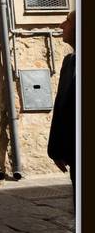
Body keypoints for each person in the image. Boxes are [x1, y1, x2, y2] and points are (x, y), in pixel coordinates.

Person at [48, 11, 76, 196]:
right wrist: (56, 150)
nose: (61, 26)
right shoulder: (69, 62)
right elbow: (61, 108)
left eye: (68, 21)